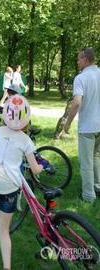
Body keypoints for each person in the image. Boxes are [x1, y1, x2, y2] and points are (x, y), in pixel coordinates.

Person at [0, 95, 43, 270]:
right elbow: (35, 169)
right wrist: (42, 167)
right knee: (3, 230)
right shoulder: (26, 141)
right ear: (26, 119)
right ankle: (7, 267)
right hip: (10, 186)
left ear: (6, 115)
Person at [63, 47, 100, 203]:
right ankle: (98, 186)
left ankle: (88, 195)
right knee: (96, 157)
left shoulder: (81, 78)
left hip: (88, 127)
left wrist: (67, 124)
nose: (77, 62)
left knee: (86, 162)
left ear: (85, 59)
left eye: (79, 59)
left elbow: (77, 102)